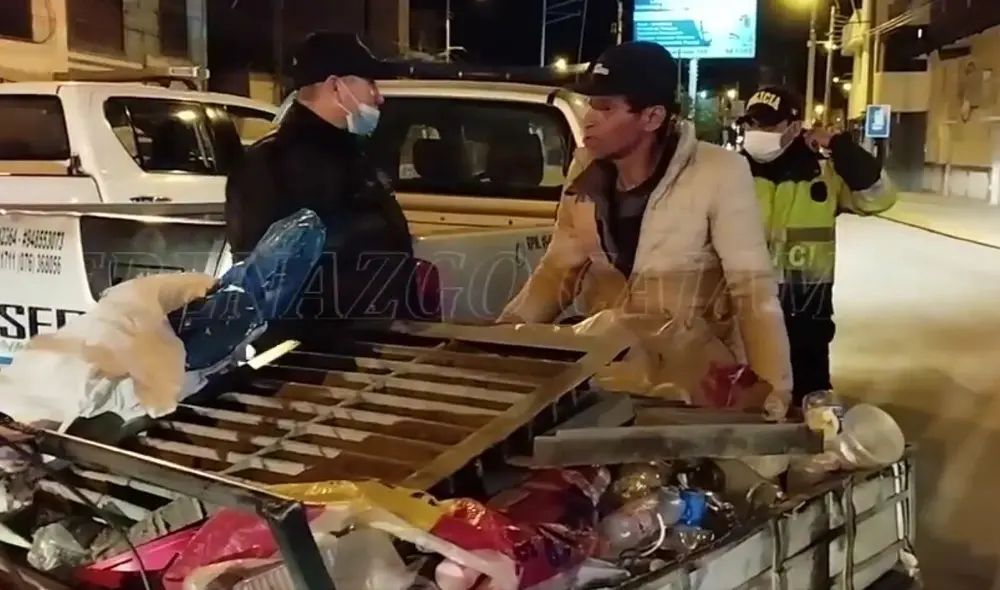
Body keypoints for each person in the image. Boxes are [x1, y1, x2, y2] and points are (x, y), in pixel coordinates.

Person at [497, 41, 792, 410]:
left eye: (605, 108)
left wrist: (773, 391)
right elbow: (557, 273)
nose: (589, 118)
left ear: (652, 117)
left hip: (695, 386)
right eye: (590, 104)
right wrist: (503, 337)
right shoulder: (584, 172)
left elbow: (753, 292)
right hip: (608, 377)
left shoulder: (719, 172)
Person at [224, 32, 419, 348]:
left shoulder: (352, 157)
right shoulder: (270, 166)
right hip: (315, 365)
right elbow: (268, 277)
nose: (378, 96)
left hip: (372, 350)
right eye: (370, 84)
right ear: (335, 86)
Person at [739, 85, 897, 404]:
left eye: (769, 125)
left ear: (796, 128)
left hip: (806, 312)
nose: (757, 132)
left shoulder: (823, 174)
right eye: (751, 124)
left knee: (809, 405)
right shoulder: (732, 173)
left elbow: (879, 198)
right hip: (743, 309)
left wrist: (840, 146)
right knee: (746, 403)